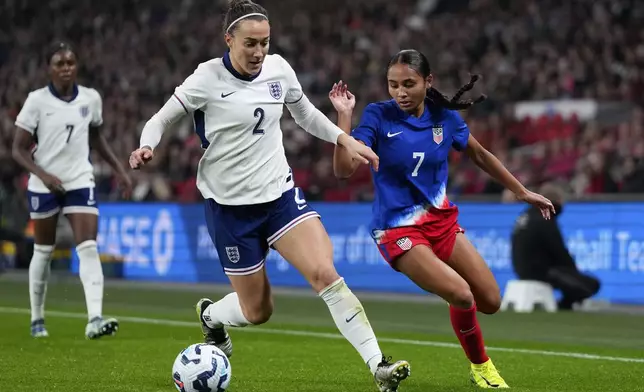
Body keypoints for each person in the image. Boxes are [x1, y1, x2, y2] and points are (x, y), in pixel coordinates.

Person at [129, 1, 409, 391]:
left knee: (324, 273)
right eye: (250, 44)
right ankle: (211, 316)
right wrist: (147, 146)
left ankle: (378, 365)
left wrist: (345, 138)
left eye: (265, 42)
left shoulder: (278, 69)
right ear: (229, 40)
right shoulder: (205, 78)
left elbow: (306, 114)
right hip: (230, 211)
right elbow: (160, 119)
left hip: (279, 197)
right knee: (258, 311)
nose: (259, 52)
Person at [330, 49, 555, 389]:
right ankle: (481, 367)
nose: (400, 92)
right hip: (397, 229)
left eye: (408, 84)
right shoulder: (378, 116)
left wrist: (522, 192)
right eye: (393, 85)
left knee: (490, 301)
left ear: (428, 81)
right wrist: (344, 119)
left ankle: (466, 331)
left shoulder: (444, 118)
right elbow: (342, 170)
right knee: (462, 295)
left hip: (442, 223)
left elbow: (479, 153)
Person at [12, 42, 133, 339]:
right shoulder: (36, 101)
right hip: (44, 184)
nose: (66, 68)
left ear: (76, 66)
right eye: (59, 63)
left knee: (88, 246)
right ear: (49, 69)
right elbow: (16, 149)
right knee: (43, 250)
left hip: (79, 180)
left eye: (70, 62)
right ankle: (37, 318)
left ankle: (95, 319)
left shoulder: (91, 99)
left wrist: (120, 171)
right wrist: (43, 174)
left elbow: (97, 139)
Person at [511, 183, 600, 310]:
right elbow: (559, 251)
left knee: (570, 278)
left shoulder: (525, 216)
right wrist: (573, 271)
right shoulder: (545, 219)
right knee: (591, 284)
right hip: (541, 271)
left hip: (521, 269)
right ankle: (565, 304)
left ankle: (566, 302)